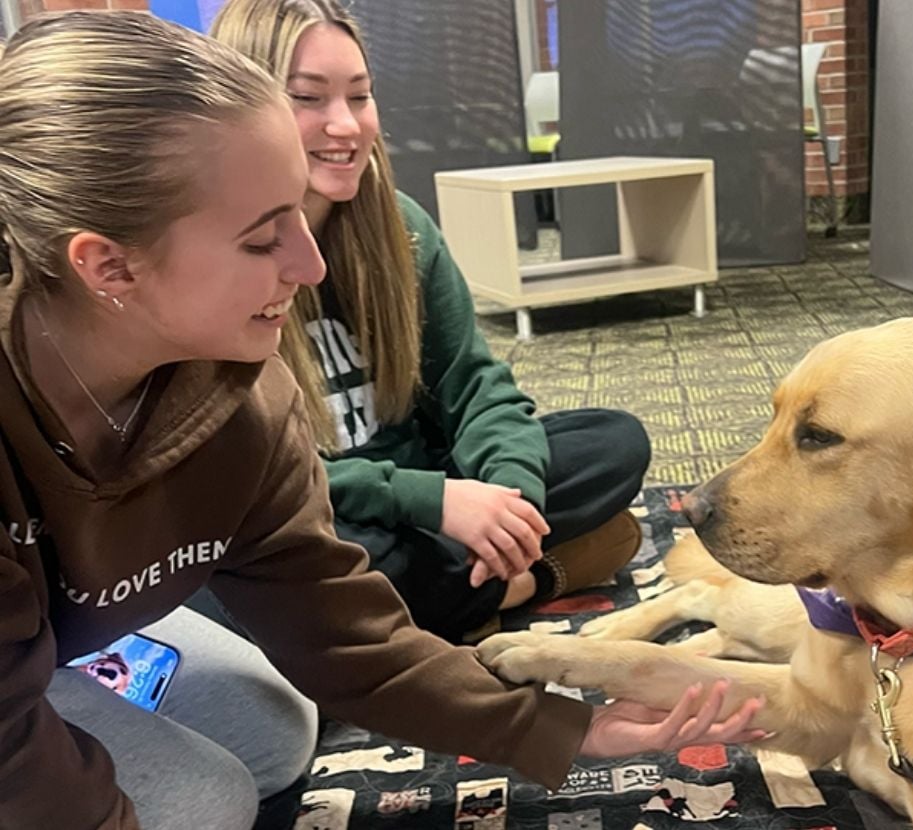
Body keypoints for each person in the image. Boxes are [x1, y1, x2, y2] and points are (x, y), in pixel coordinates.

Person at [0, 12, 762, 830]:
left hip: (65, 624)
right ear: (107, 264)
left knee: (275, 735)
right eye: (263, 240)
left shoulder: (243, 398)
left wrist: (563, 727)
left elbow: (341, 635)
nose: (311, 263)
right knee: (207, 801)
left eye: (298, 212)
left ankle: (87, 659)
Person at [206, 0, 653, 645]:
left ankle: (434, 602)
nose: (345, 125)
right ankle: (534, 580)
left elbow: (474, 385)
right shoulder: (214, 256)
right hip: (327, 513)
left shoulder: (402, 227)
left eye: (360, 97)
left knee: (613, 441)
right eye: (308, 98)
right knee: (264, 566)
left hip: (435, 497)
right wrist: (431, 503)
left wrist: (511, 502)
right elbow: (245, 475)